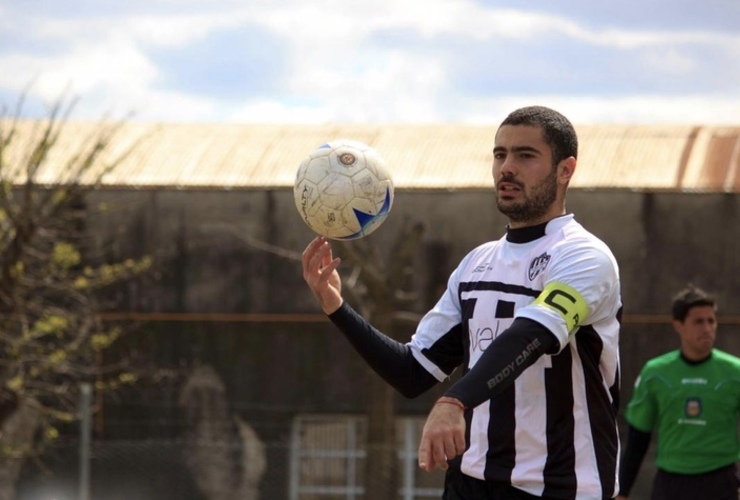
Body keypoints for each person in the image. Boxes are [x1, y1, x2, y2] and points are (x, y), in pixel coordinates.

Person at [302, 105, 623, 499]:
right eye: (499, 154)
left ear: (565, 169)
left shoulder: (585, 257)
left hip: (559, 486)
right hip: (470, 483)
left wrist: (455, 400)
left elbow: (532, 334)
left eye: (525, 155)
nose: (507, 167)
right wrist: (336, 307)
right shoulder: (477, 264)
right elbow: (413, 372)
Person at [616, 286, 740, 500]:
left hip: (721, 481)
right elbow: (638, 438)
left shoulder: (734, 372)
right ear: (678, 325)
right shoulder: (655, 373)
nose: (707, 328)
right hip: (672, 483)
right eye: (698, 321)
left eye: (711, 321)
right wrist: (623, 491)